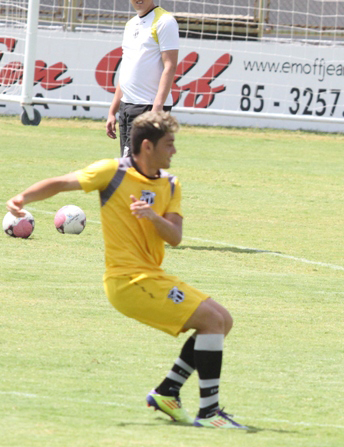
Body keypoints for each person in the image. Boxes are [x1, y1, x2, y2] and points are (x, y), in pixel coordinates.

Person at [6, 111, 246, 429]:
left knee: (222, 320)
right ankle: (210, 413)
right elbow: (62, 183)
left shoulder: (171, 184)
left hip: (153, 277)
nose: (174, 150)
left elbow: (175, 237)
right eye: (169, 144)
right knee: (212, 320)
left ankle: (168, 391)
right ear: (147, 146)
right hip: (127, 281)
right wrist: (23, 197)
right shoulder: (113, 172)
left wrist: (153, 217)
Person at [106, 0, 179, 158]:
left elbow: (170, 66)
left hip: (148, 106)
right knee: (132, 163)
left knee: (136, 164)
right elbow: (126, 70)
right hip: (127, 106)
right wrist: (113, 111)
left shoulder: (165, 21)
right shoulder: (131, 24)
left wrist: (156, 109)